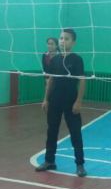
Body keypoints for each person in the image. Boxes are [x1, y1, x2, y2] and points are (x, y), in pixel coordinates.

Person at [35, 29, 87, 177]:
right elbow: (51, 80)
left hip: (71, 102)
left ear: (73, 42)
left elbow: (82, 80)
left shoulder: (77, 59)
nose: (63, 41)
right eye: (61, 38)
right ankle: (49, 161)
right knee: (52, 131)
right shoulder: (55, 59)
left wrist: (78, 101)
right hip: (54, 101)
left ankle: (80, 165)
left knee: (75, 133)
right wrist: (46, 99)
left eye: (67, 39)